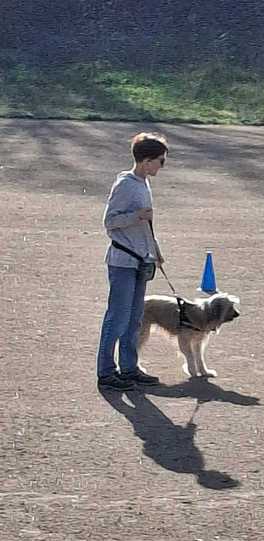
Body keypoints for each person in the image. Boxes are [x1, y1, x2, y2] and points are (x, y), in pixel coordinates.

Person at [97, 132, 168, 391]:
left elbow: (146, 225)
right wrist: (136, 216)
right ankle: (106, 372)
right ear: (147, 161)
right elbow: (109, 222)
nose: (162, 165)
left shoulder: (144, 182)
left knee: (135, 318)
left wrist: (155, 249)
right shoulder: (125, 185)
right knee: (117, 317)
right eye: (161, 160)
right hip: (122, 261)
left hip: (141, 259)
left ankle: (129, 368)